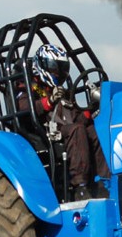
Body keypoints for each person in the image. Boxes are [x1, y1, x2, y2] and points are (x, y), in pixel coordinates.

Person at [17, 43, 110, 200]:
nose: (58, 73)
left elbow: (76, 118)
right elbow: (24, 109)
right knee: (77, 130)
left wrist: (90, 110)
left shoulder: (62, 93)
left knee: (93, 131)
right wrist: (49, 101)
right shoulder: (27, 87)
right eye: (55, 68)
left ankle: (102, 183)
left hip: (65, 130)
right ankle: (80, 187)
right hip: (43, 131)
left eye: (62, 68)